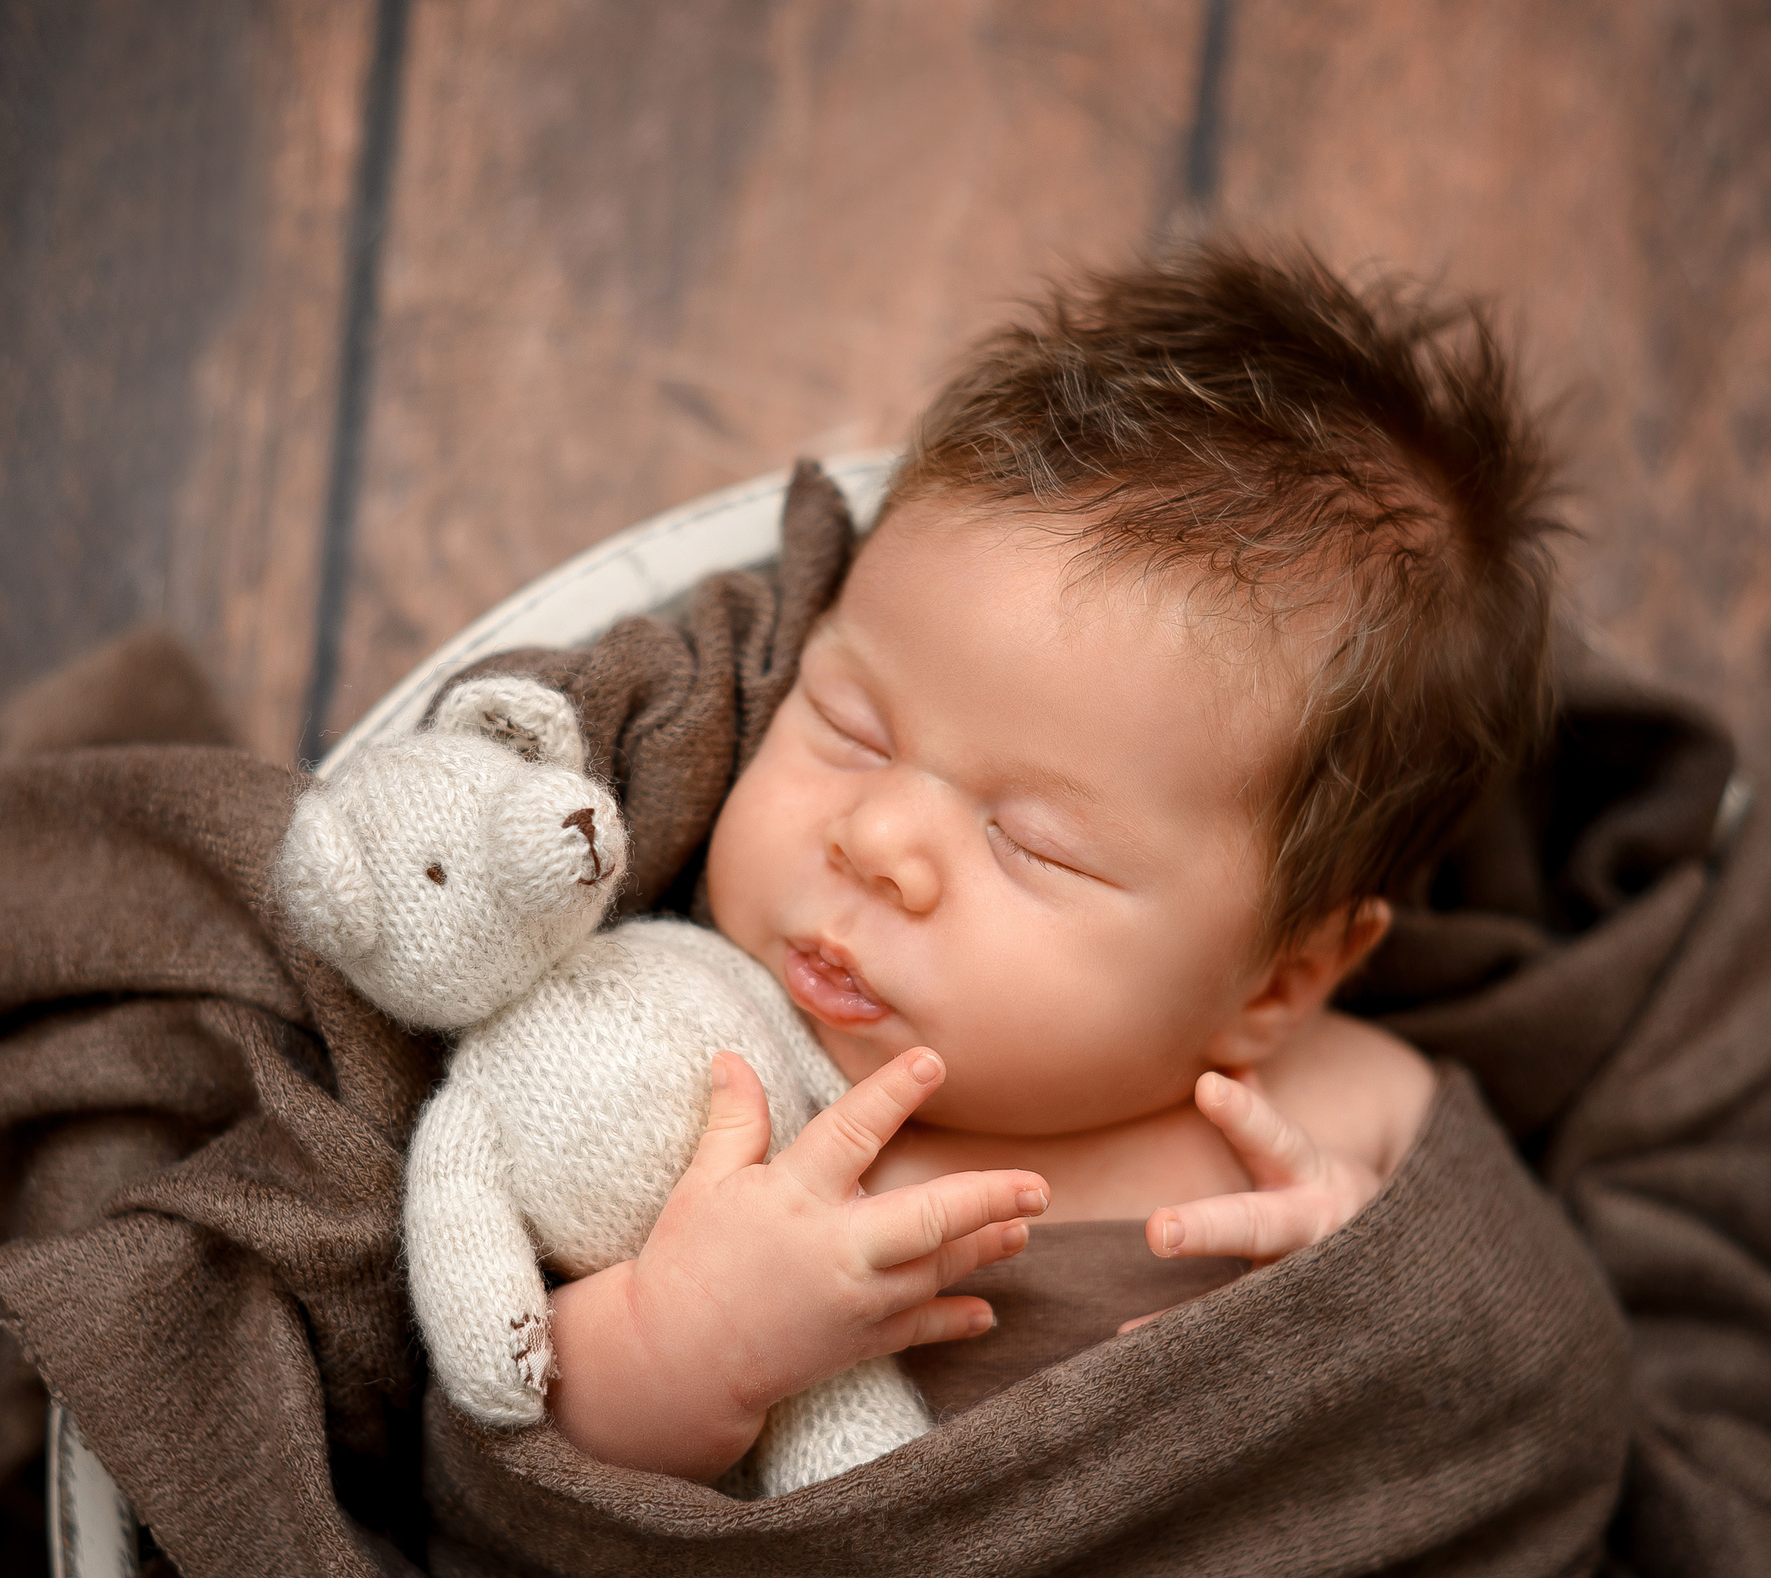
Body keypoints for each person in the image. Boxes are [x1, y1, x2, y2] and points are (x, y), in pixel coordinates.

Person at [542, 242, 1560, 1484]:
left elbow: (1542, 1386)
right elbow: (506, 1442)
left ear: (1280, 982)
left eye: (1030, 841)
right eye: (852, 727)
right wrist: (687, 1338)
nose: (876, 841)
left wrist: (1373, 1299)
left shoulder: (1346, 1110)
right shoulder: (691, 1084)